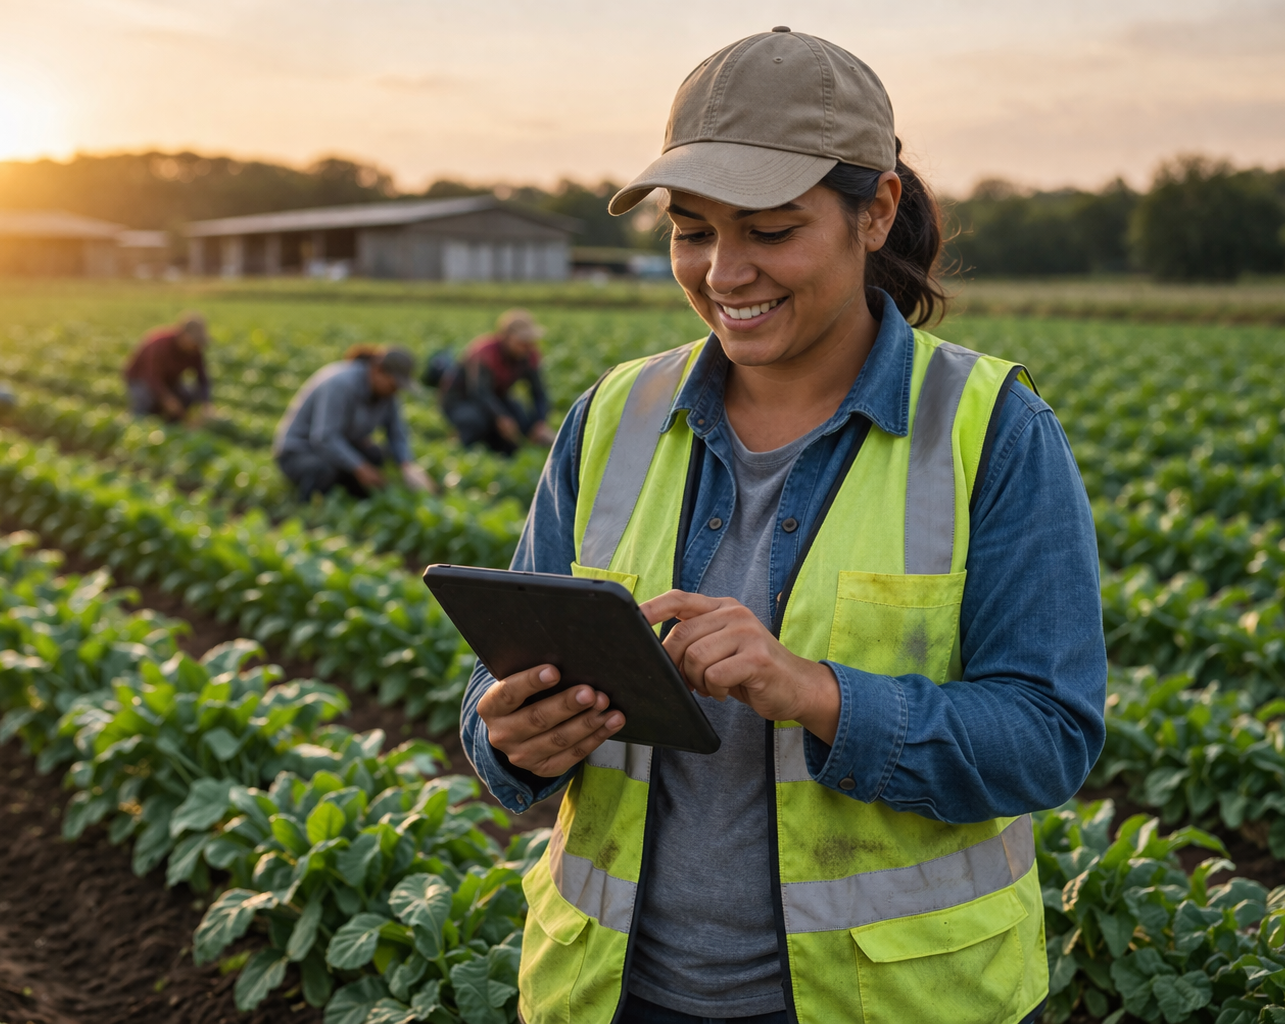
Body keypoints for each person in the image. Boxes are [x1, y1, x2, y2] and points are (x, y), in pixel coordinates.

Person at [461, 28, 1106, 1024]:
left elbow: (1047, 738)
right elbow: (491, 696)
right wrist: (511, 734)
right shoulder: (616, 414)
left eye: (770, 229)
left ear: (876, 211)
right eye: (692, 230)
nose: (725, 271)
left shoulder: (991, 428)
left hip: (892, 1001)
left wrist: (815, 692)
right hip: (614, 995)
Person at [273, 344, 436, 499]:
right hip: (300, 451)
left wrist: (407, 466)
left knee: (375, 457)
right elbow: (324, 438)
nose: (396, 391)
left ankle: (346, 495)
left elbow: (396, 433)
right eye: (394, 385)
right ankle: (310, 511)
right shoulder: (340, 384)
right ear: (378, 370)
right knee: (324, 470)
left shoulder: (388, 395)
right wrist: (360, 468)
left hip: (337, 445)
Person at [440, 308, 554, 455]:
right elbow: (479, 392)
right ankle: (460, 442)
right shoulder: (485, 353)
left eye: (529, 342)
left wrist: (540, 422)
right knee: (478, 422)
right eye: (522, 342)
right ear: (506, 338)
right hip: (461, 400)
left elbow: (538, 392)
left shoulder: (529, 356)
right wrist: (501, 417)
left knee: (521, 425)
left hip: (497, 398)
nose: (526, 346)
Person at [125, 313, 212, 422]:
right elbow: (151, 377)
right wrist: (167, 399)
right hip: (140, 378)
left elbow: (202, 378)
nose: (197, 346)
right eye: (194, 341)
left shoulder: (194, 350)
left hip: (169, 381)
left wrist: (206, 404)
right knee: (146, 400)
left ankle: (172, 424)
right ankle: (133, 422)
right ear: (183, 334)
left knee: (187, 396)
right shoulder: (160, 344)